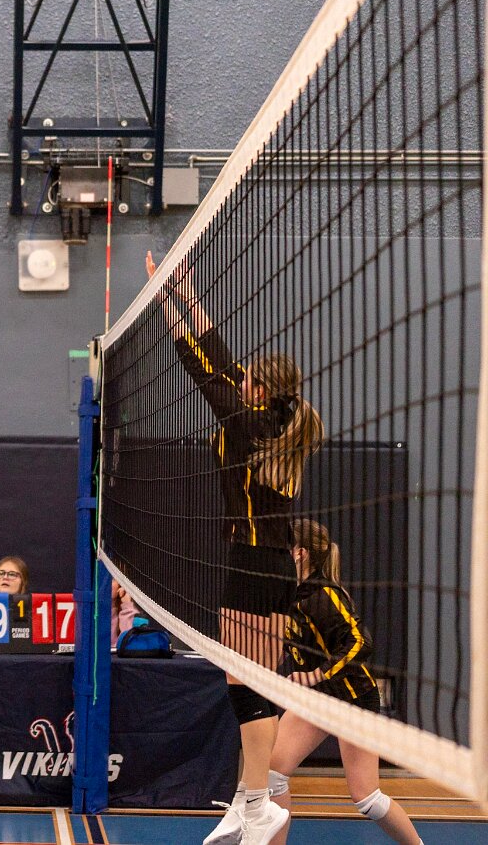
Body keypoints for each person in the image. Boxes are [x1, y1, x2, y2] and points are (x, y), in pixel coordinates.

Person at [146, 251, 324, 845]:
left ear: (260, 390)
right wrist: (186, 293)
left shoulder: (246, 425)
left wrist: (165, 304)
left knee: (242, 683)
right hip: (276, 567)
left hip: (250, 563)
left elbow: (202, 368)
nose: (239, 380)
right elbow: (222, 362)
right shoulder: (278, 421)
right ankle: (252, 802)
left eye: (248, 379)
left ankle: (255, 802)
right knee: (254, 682)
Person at [266, 520, 424, 845]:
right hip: (317, 700)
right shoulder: (290, 593)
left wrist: (316, 674)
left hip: (352, 700)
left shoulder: (325, 594)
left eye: (285, 547)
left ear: (300, 553)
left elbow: (360, 641)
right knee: (272, 776)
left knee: (367, 798)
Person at [111, 578, 137, 648]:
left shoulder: (129, 610)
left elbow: (129, 643)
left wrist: (127, 605)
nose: (106, 584)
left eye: (112, 579)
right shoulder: (88, 611)